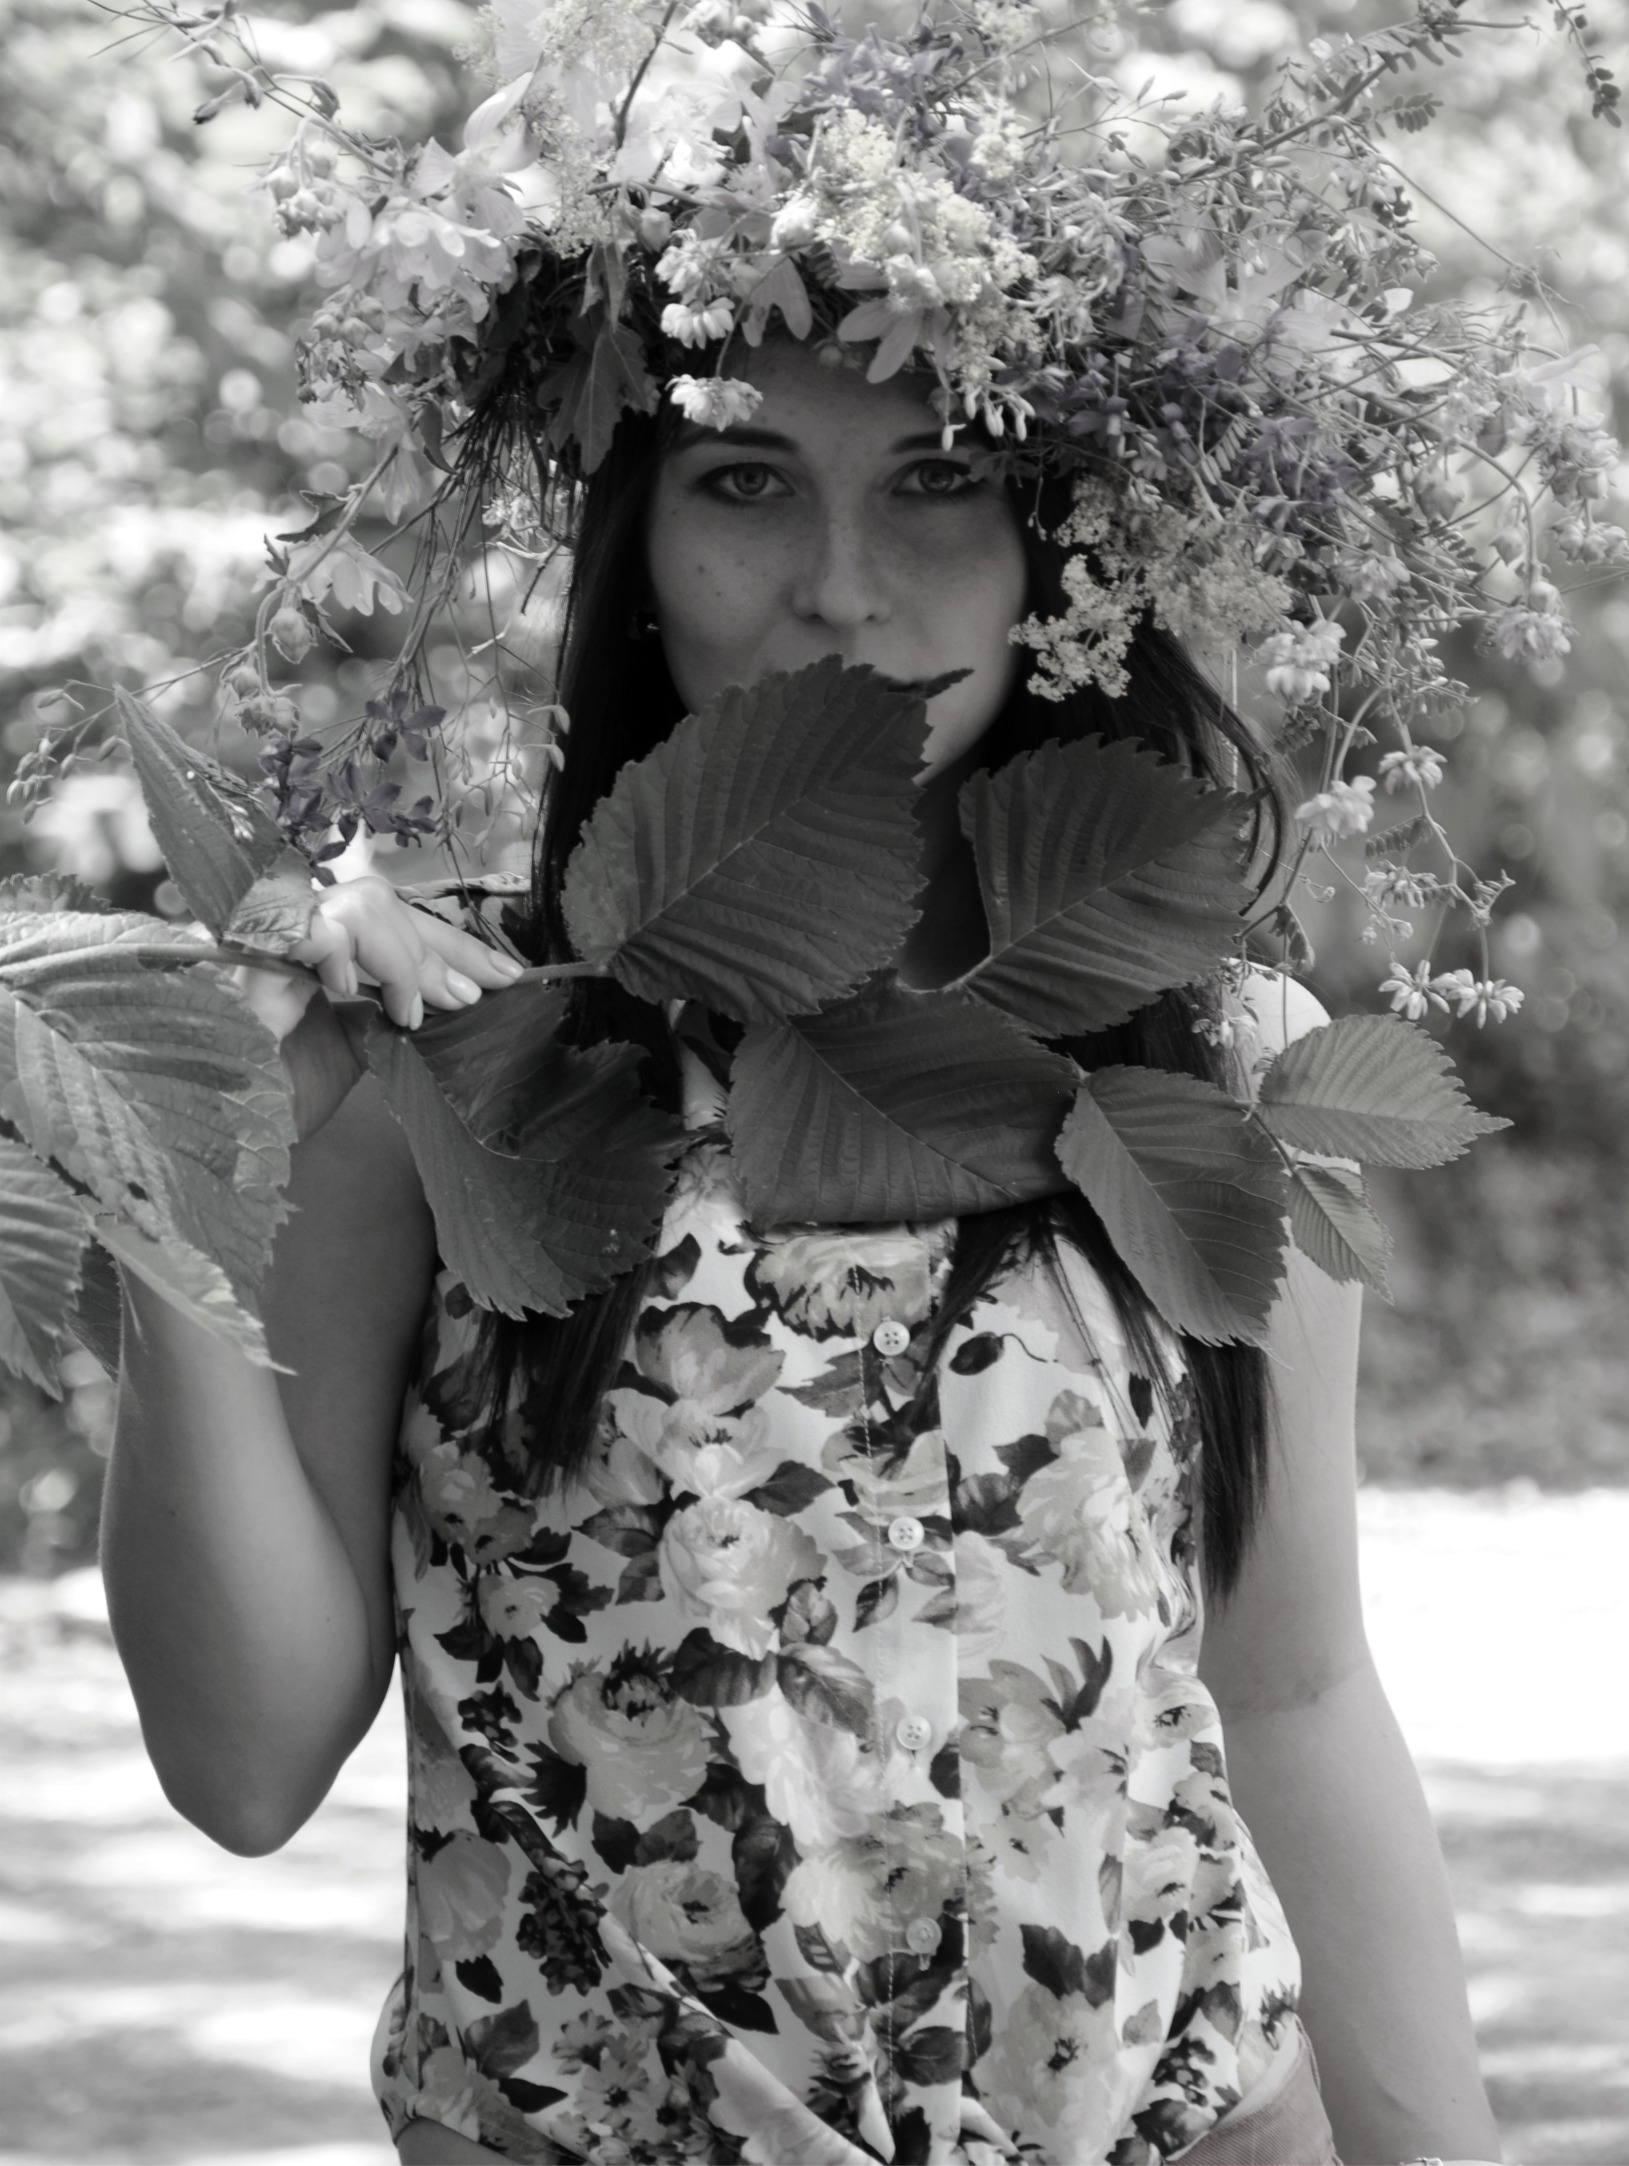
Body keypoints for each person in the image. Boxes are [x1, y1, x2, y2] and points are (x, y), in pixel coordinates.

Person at [101, 326, 1506, 2166]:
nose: (842, 585)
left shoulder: (1213, 1069)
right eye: (746, 481)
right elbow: (245, 1768)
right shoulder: (440, 1054)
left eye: (940, 477)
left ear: (1056, 545)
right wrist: (180, 1182)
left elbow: (1296, 1689)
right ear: (635, 535)